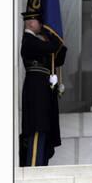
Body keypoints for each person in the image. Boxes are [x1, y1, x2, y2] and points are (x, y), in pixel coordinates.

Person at [19, 14, 67, 167]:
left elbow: (58, 57)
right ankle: (34, 165)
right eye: (41, 23)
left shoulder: (37, 42)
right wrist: (53, 35)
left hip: (43, 94)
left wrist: (54, 39)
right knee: (37, 130)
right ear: (32, 23)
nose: (42, 26)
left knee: (44, 130)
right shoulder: (29, 41)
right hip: (36, 93)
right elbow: (52, 47)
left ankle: (40, 164)